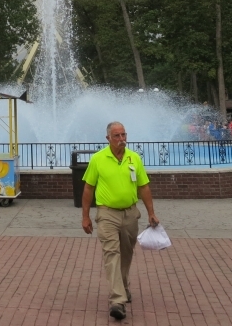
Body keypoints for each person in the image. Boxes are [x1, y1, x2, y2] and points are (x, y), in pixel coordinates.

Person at [81, 122, 158, 322]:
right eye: (116, 136)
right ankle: (118, 300)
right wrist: (85, 216)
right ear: (108, 138)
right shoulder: (98, 159)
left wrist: (151, 213)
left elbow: (144, 187)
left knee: (126, 254)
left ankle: (122, 287)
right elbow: (88, 188)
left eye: (124, 135)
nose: (121, 139)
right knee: (111, 254)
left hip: (131, 214)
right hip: (107, 214)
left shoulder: (135, 158)